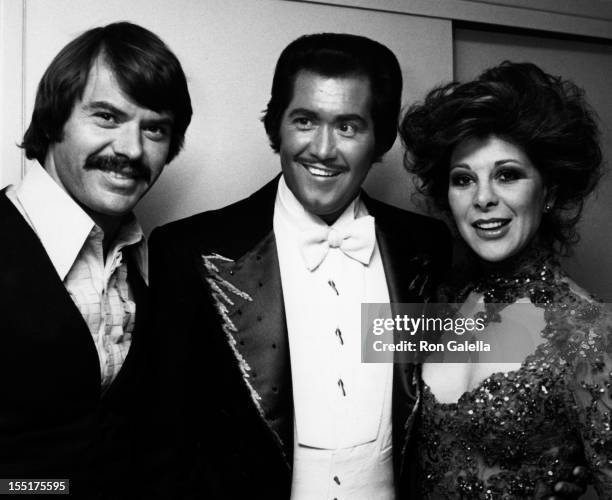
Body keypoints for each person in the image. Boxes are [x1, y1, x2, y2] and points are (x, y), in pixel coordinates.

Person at [146, 33, 450, 499]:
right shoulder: (188, 250)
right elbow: (163, 439)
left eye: (349, 127)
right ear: (277, 128)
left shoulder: (424, 247)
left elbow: (446, 395)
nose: (323, 149)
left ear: (380, 138)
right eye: (305, 120)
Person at [400, 61, 610, 498]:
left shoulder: (592, 331)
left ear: (549, 190)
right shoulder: (438, 303)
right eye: (463, 180)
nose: (483, 199)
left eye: (507, 174)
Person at [0, 21, 192, 498]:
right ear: (53, 120)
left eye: (155, 129)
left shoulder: (155, 258)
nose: (131, 149)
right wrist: (47, 488)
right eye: (106, 117)